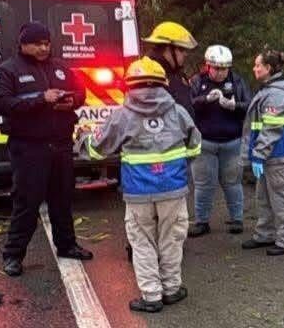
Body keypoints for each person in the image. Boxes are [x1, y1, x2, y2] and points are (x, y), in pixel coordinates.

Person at [77, 57, 201, 313]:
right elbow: (195, 145)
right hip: (173, 188)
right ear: (163, 84)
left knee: (143, 242)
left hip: (138, 192)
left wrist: (82, 139)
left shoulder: (121, 116)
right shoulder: (178, 112)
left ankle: (152, 297)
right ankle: (172, 289)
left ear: (128, 86)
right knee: (171, 239)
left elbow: (97, 151)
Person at [0, 21, 93, 277]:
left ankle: (67, 244)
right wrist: (42, 99)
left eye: (47, 43)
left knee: (63, 198)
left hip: (60, 144)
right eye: (38, 43)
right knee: (27, 202)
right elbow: (2, 103)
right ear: (23, 44)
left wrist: (72, 100)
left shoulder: (60, 67)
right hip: (29, 147)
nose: (43, 48)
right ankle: (13, 255)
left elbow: (81, 93)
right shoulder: (9, 70)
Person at [240, 49, 284, 256]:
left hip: (277, 153)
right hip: (270, 154)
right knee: (264, 195)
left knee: (281, 197)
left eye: (258, 65)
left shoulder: (275, 94)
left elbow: (271, 129)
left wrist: (259, 154)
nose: (254, 68)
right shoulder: (270, 90)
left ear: (268, 69)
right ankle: (265, 234)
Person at [188, 45, 252, 237]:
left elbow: (249, 105)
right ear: (208, 66)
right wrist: (205, 100)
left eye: (224, 68)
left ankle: (237, 219)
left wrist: (234, 106)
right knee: (203, 184)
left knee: (233, 182)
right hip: (205, 142)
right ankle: (201, 221)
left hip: (232, 141)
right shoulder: (197, 82)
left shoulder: (237, 81)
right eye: (216, 68)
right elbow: (187, 106)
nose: (220, 72)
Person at [141, 21, 198, 116]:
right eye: (181, 49)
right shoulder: (152, 77)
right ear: (168, 49)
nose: (185, 54)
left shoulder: (173, 72)